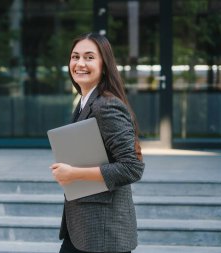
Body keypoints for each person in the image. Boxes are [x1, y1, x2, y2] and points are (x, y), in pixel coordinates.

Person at [50, 32, 145, 253]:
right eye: (75, 57)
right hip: (84, 230)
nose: (80, 63)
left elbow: (132, 168)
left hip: (103, 235)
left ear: (105, 64)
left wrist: (73, 174)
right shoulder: (85, 101)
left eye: (89, 57)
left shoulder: (107, 106)